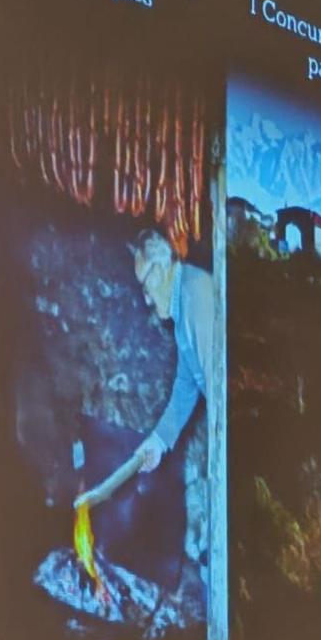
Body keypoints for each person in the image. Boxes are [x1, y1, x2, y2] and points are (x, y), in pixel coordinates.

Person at [129, 227, 219, 580]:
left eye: (145, 285)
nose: (146, 299)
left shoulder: (196, 298)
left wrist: (219, 463)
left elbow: (217, 386)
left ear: (163, 267)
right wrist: (158, 441)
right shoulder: (182, 306)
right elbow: (186, 385)